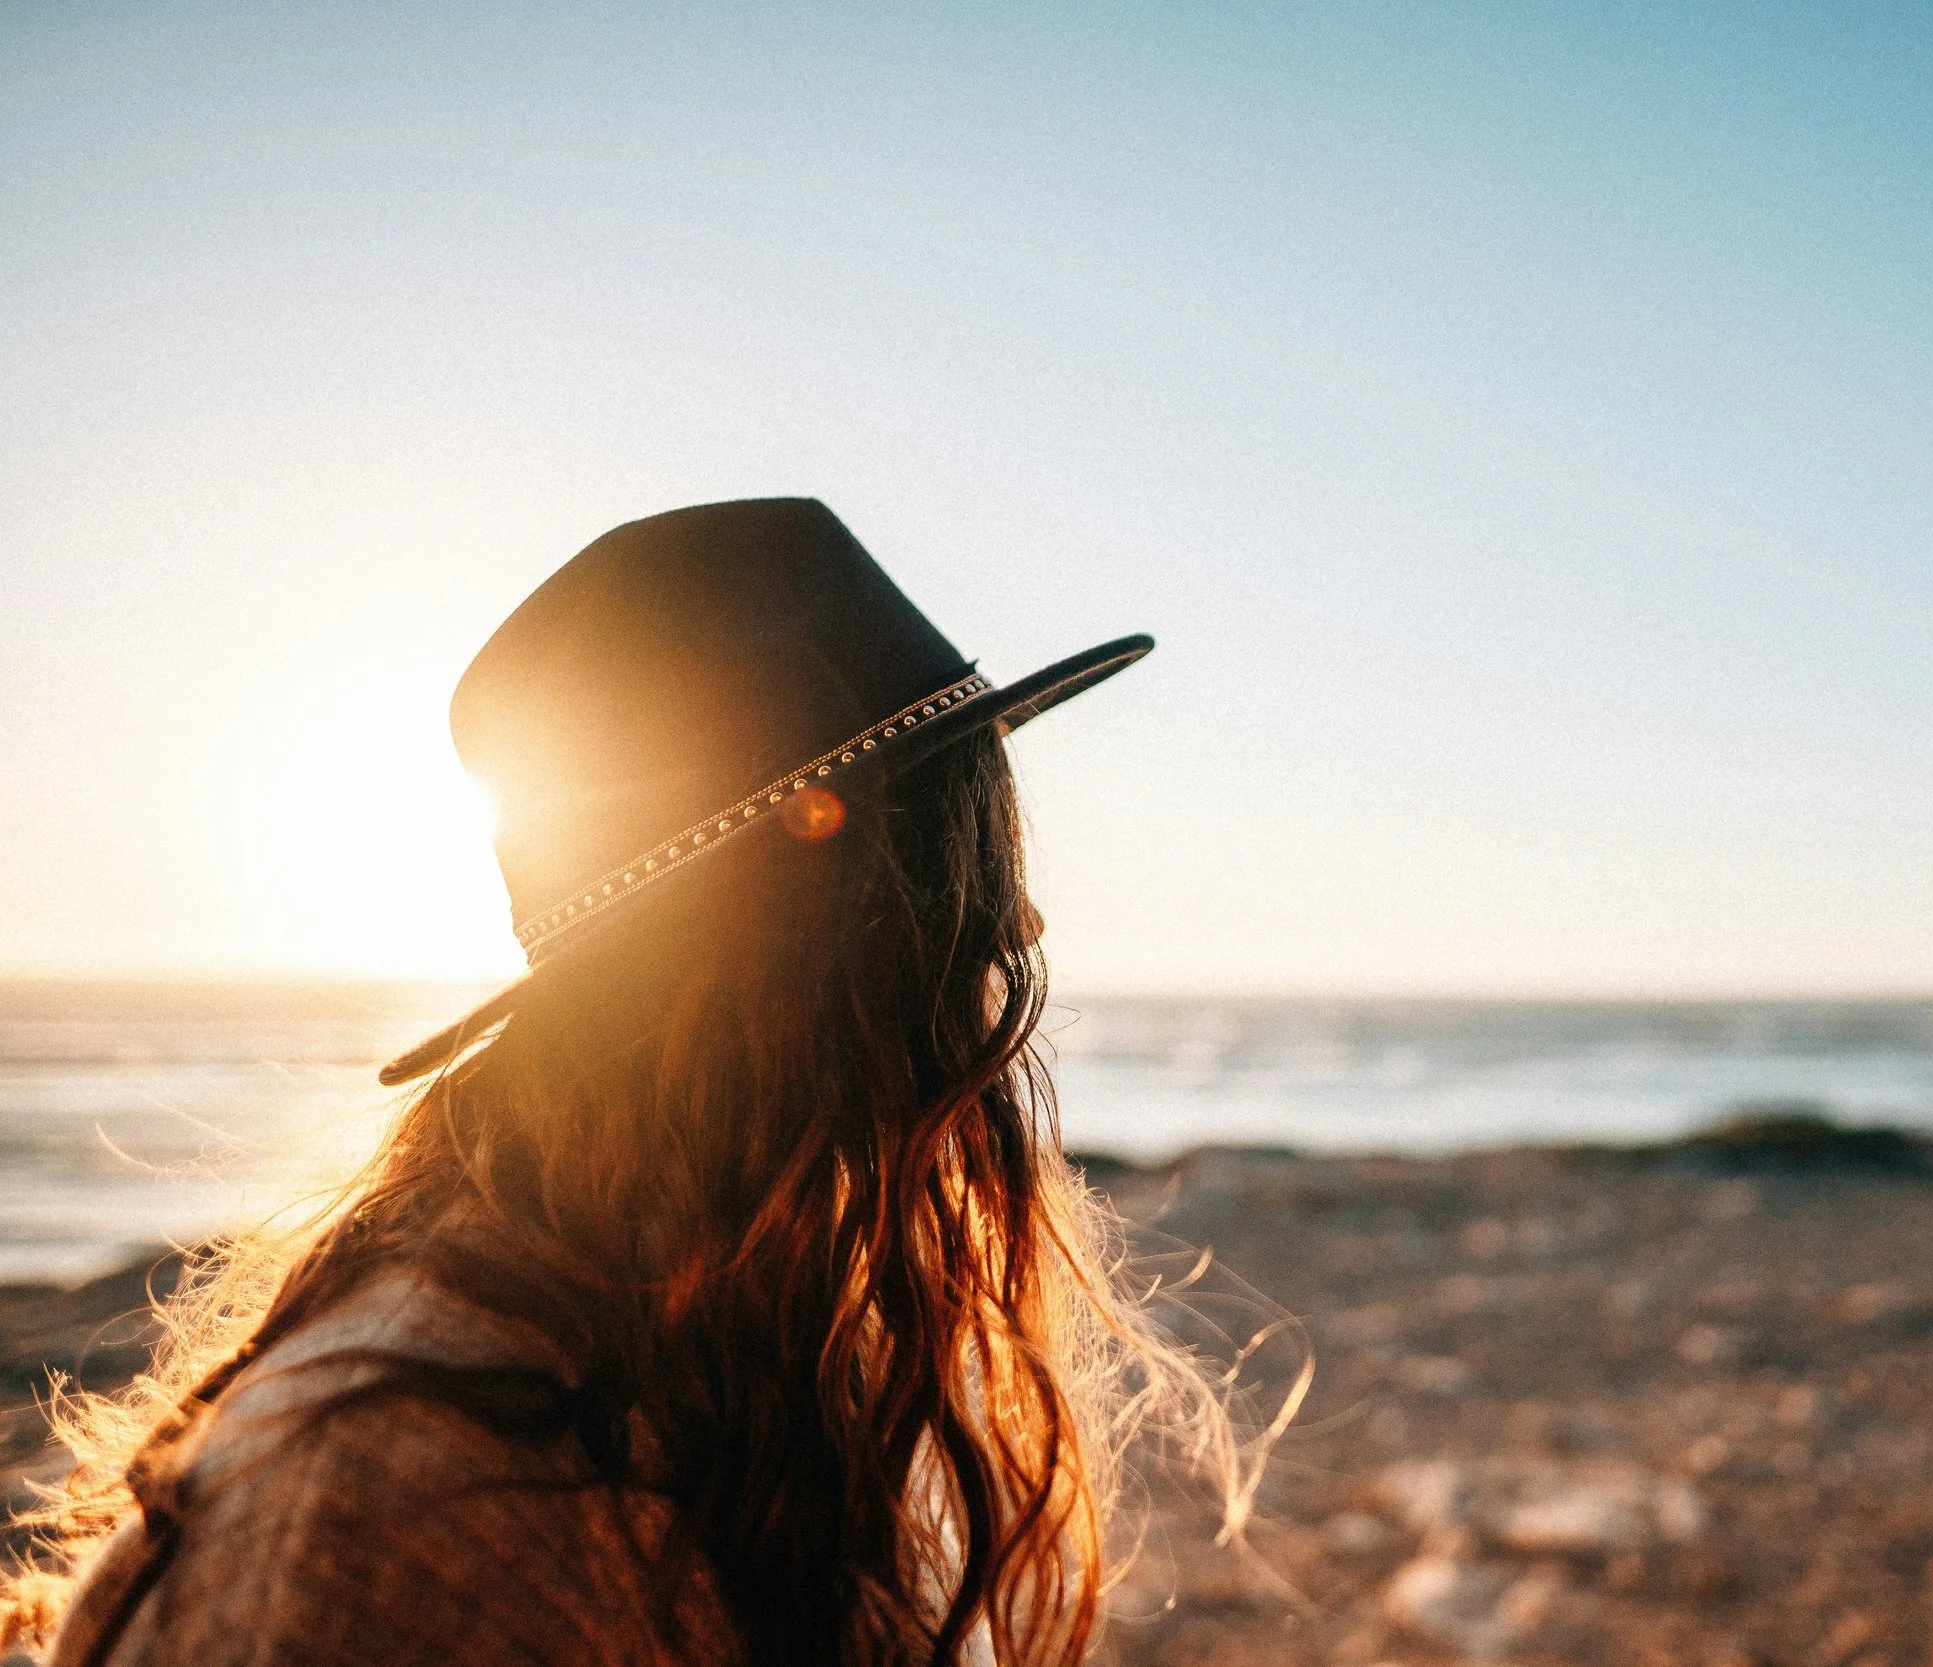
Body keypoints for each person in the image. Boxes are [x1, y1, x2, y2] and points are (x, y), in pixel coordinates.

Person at [5, 499, 1255, 1666]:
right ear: (804, 925)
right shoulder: (404, 1504)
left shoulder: (693, 1325)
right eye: (963, 861)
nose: (1014, 921)